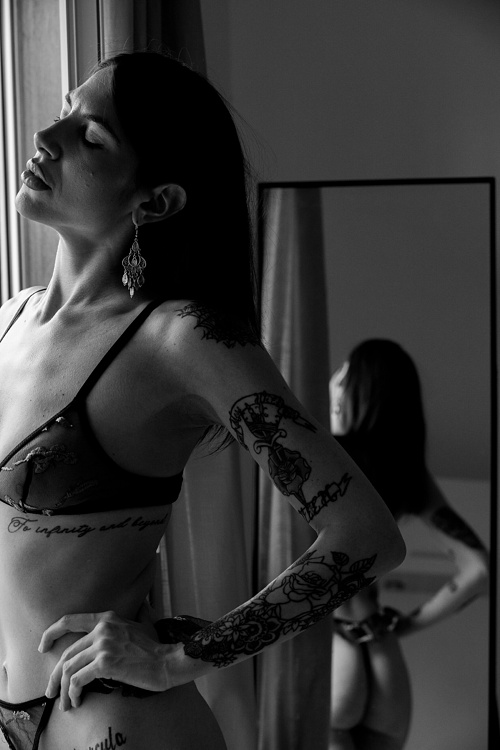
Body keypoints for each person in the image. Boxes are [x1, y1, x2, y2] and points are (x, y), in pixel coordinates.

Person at [0, 51, 405, 750]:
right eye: (65, 111)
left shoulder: (182, 337)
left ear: (156, 201)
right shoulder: (10, 317)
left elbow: (366, 536)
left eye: (90, 137)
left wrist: (184, 656)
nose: (46, 138)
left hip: (109, 719)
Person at [328, 339, 489, 750]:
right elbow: (479, 570)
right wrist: (404, 625)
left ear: (356, 391)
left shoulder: (325, 457)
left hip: (335, 648)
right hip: (383, 652)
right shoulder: (408, 471)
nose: (334, 382)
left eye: (344, 374)